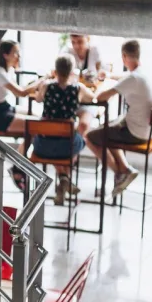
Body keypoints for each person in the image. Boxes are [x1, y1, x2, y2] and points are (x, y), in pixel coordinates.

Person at [86, 39, 152, 198]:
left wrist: (104, 84)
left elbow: (100, 97)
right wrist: (109, 76)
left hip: (136, 133)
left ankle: (121, 172)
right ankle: (124, 169)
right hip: (150, 131)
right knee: (111, 126)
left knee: (90, 137)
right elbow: (127, 77)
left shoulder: (133, 79)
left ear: (124, 57)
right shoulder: (144, 73)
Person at [33, 55, 92, 205]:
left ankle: (63, 179)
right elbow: (92, 98)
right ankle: (65, 179)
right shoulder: (78, 88)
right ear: (72, 70)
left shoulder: (47, 86)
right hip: (67, 147)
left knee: (54, 139)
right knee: (76, 140)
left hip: (43, 146)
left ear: (55, 70)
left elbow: (38, 98)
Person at [0, 40, 41, 188]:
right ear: (5, 55)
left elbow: (21, 89)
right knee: (35, 126)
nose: (18, 56)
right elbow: (21, 93)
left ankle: (19, 161)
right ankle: (17, 166)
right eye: (15, 53)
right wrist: (43, 80)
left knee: (37, 118)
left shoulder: (8, 70)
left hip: (4, 107)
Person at [63, 34, 106, 138]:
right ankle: (67, 148)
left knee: (83, 125)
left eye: (80, 42)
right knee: (63, 125)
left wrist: (100, 74)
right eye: (73, 42)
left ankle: (73, 149)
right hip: (70, 99)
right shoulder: (67, 52)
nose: (77, 46)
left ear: (88, 40)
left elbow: (103, 73)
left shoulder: (95, 51)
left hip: (88, 99)